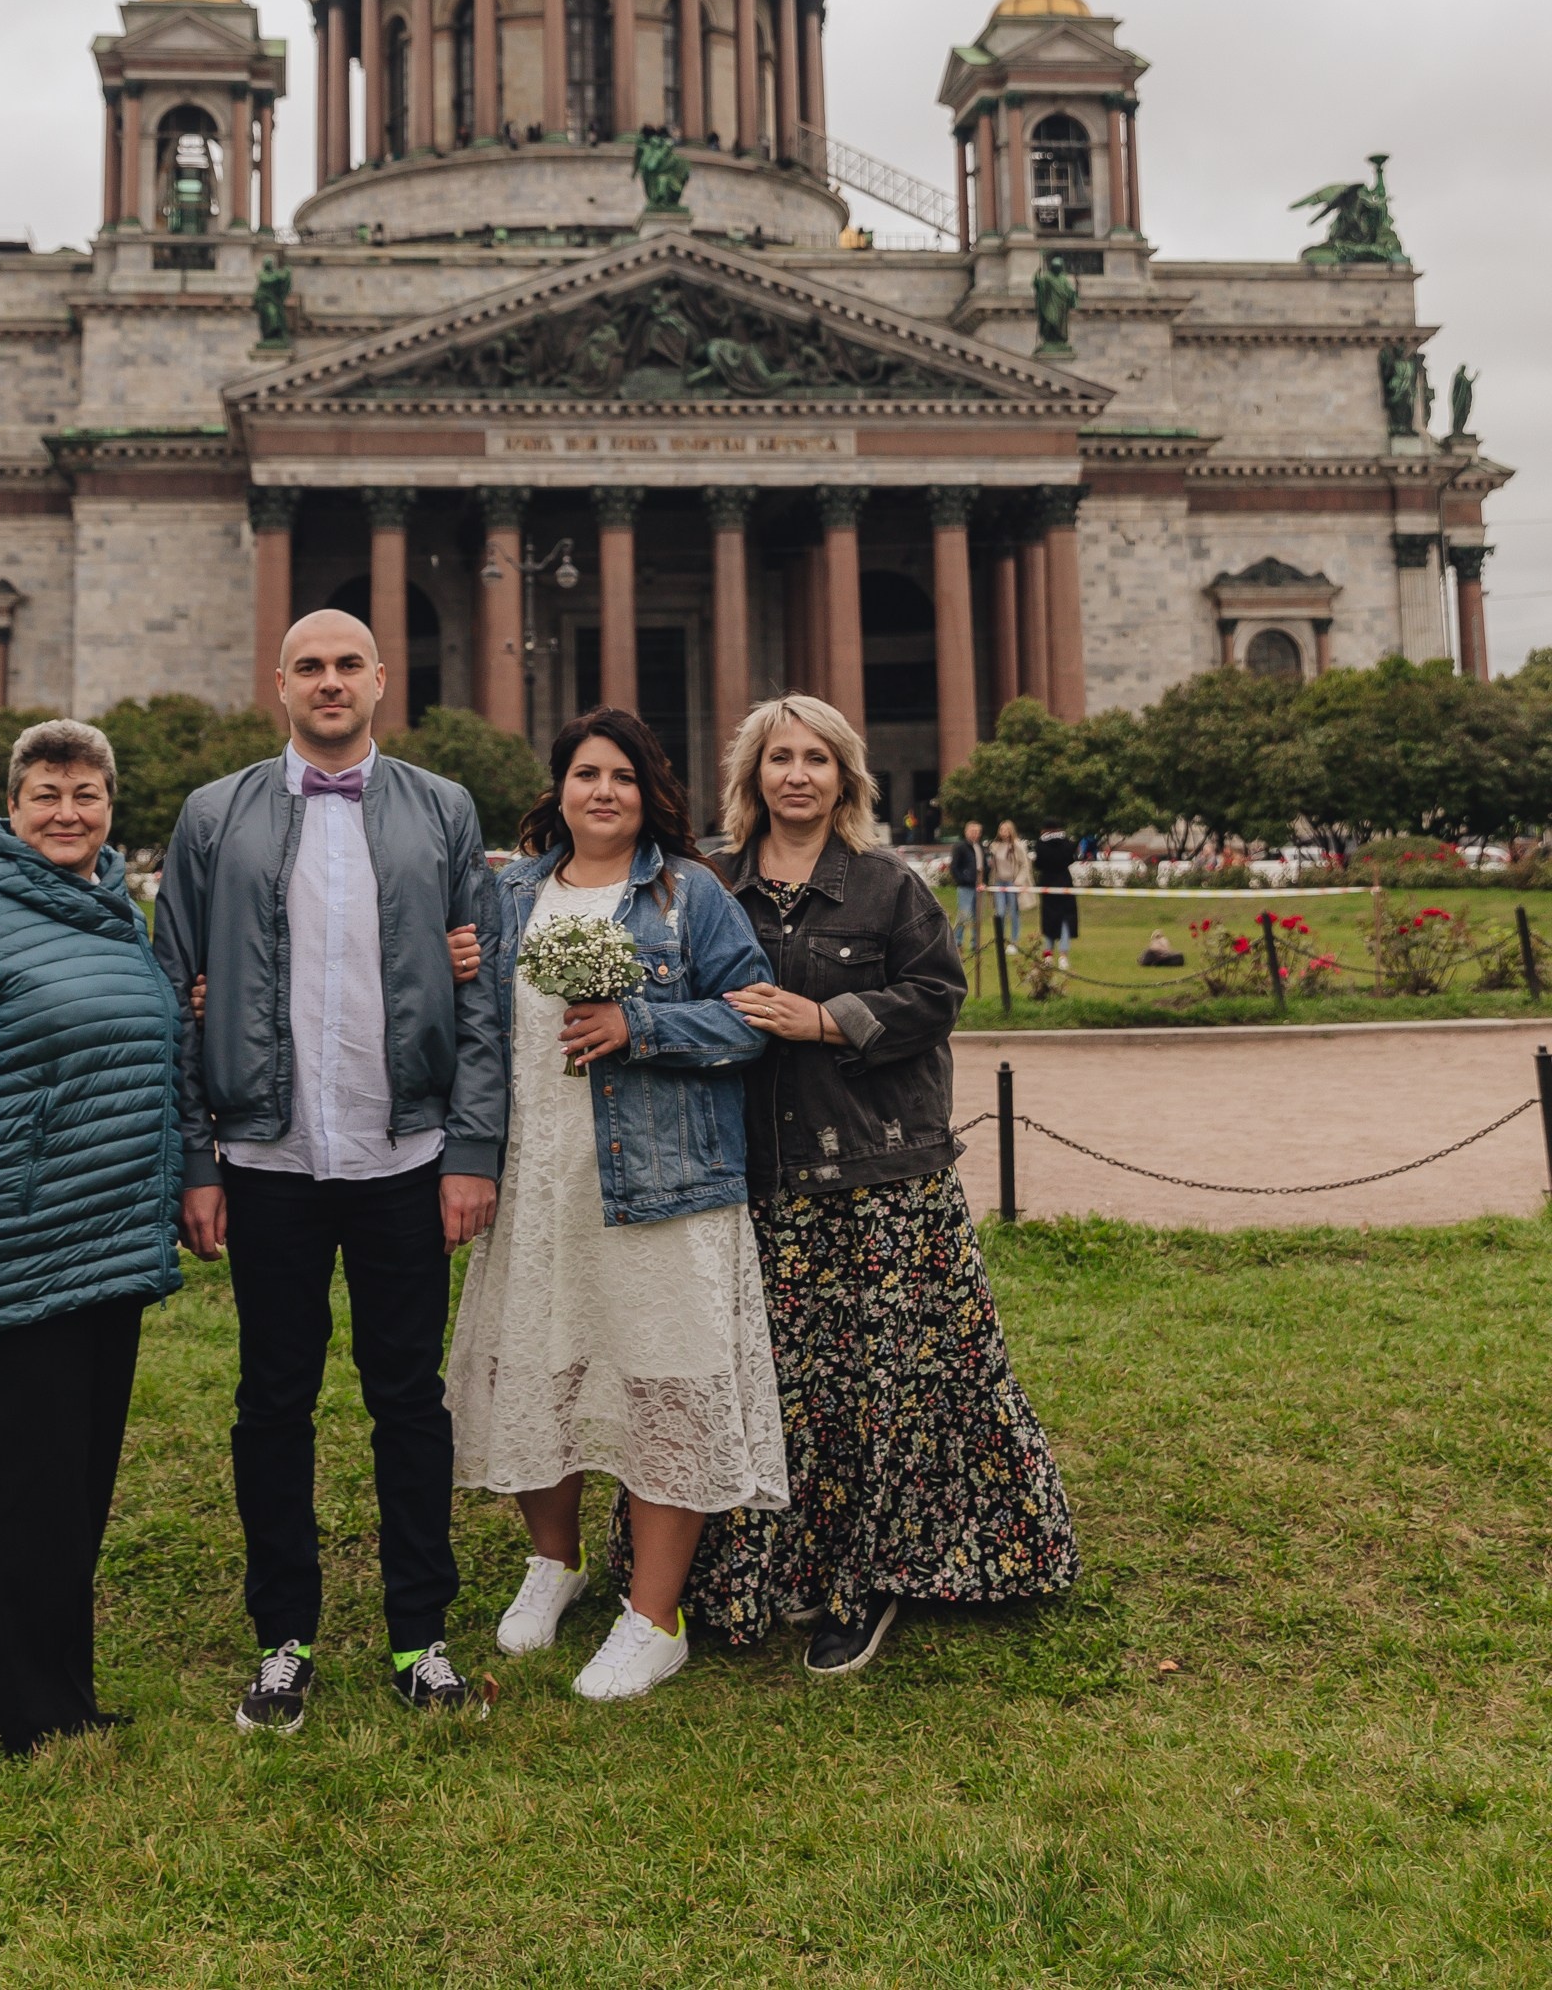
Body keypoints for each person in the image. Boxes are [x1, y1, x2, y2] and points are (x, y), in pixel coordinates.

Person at [681, 694, 1078, 1677]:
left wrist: (825, 1020)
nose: (797, 775)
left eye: (816, 758)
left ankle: (870, 1580)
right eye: (779, 757)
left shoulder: (887, 886)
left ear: (844, 777)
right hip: (756, 1177)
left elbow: (937, 996)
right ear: (751, 775)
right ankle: (775, 1566)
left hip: (880, 1176)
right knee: (779, 1388)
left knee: (890, 1389)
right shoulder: (708, 885)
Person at [156, 609, 502, 1735]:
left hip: (405, 1154)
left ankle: (419, 1635)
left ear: (381, 680)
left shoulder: (442, 808)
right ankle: (283, 1640)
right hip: (267, 1157)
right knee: (272, 1402)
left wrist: (470, 1151)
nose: (330, 681)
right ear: (281, 685)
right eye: (309, 666)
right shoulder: (214, 815)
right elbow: (172, 994)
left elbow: (483, 998)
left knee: (409, 1399)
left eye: (348, 664)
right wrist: (196, 1161)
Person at [447, 707, 788, 1703]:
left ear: (651, 796)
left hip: (660, 1180)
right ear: (558, 789)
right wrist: (452, 964)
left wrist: (640, 1025)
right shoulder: (508, 891)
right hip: (536, 1180)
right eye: (586, 774)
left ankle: (654, 1617)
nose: (604, 792)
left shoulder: (690, 895)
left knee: (661, 1387)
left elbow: (752, 1020)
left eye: (624, 778)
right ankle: (554, 1563)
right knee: (536, 1372)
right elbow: (468, 1026)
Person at [0, 719, 182, 1757]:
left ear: (110, 807)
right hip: (9, 1252)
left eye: (85, 793)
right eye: (46, 793)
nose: (66, 812)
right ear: (11, 808)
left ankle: (61, 1693)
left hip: (104, 1249)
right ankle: (25, 1713)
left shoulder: (115, 916)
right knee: (18, 1495)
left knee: (73, 1490)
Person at [1036, 820, 1080, 973]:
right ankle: (1063, 956)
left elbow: (1039, 864)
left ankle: (1048, 955)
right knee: (1065, 919)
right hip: (1064, 882)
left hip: (1047, 883)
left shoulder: (1041, 844)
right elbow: (1071, 859)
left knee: (1048, 920)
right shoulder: (1067, 843)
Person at [985, 819, 1030, 948]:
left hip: (1012, 883)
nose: (1004, 832)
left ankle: (1014, 941)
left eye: (1006, 830)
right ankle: (1001, 940)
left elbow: (1024, 865)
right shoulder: (995, 846)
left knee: (1014, 912)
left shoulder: (1017, 845)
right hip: (998, 883)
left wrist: (1019, 881)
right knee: (1000, 912)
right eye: (1001, 829)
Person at [945, 817, 983, 950]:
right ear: (966, 832)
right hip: (965, 886)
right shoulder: (960, 847)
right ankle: (957, 941)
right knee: (964, 914)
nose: (975, 834)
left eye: (977, 831)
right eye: (972, 831)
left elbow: (982, 864)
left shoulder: (979, 847)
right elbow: (954, 867)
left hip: (978, 886)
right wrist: (962, 879)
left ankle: (975, 942)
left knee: (977, 915)